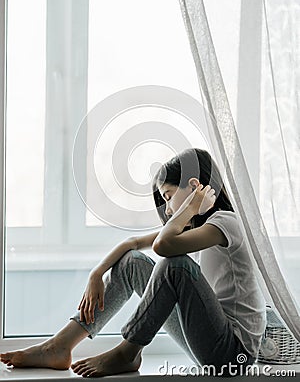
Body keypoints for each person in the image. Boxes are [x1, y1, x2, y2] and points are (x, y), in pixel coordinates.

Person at [0, 148, 266, 378]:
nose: (168, 210)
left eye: (168, 196)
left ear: (195, 186)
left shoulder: (226, 222)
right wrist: (96, 273)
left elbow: (164, 247)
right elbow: (132, 244)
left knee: (174, 265)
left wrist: (189, 208)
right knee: (132, 262)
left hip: (232, 355)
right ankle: (59, 346)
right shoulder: (193, 228)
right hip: (206, 337)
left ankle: (129, 351)